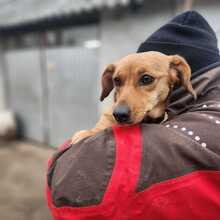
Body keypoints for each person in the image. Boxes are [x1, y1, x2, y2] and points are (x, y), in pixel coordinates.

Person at [46, 11, 220, 220]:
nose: (122, 105)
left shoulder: (198, 116)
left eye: (146, 80)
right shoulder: (114, 114)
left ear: (177, 75)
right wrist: (91, 134)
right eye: (119, 82)